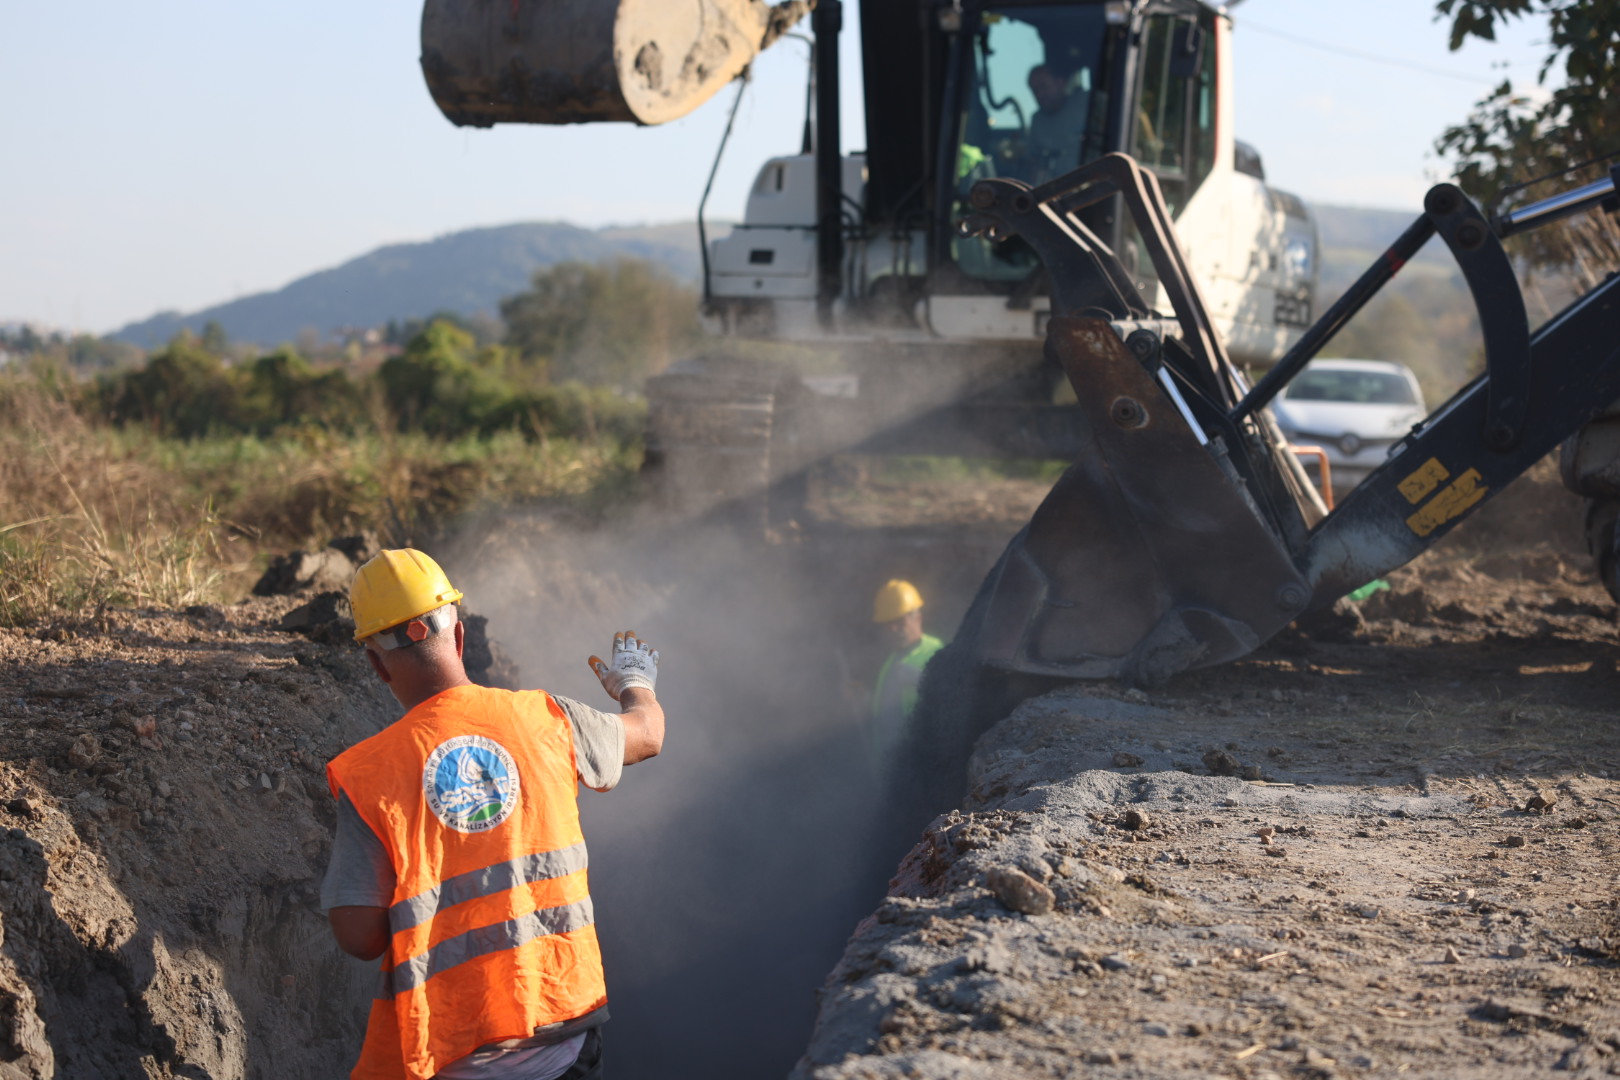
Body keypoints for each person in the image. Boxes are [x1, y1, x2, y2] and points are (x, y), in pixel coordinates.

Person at [322, 548, 664, 1080]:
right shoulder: (548, 719)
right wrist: (632, 682)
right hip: (564, 1040)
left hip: (451, 1052)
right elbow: (648, 734)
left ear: (374, 663)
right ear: (458, 636)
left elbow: (360, 936)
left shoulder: (369, 774)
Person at [868, 579, 945, 761]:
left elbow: (953, 699)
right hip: (892, 762)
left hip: (922, 760)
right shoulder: (891, 660)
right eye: (888, 624)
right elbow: (891, 709)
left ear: (917, 617)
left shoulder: (936, 652)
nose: (893, 629)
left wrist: (921, 680)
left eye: (899, 621)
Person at [1024, 62, 1091, 183]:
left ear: (1061, 82)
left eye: (1043, 86)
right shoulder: (1037, 121)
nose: (1040, 94)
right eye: (1035, 90)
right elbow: (1033, 161)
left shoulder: (1086, 103)